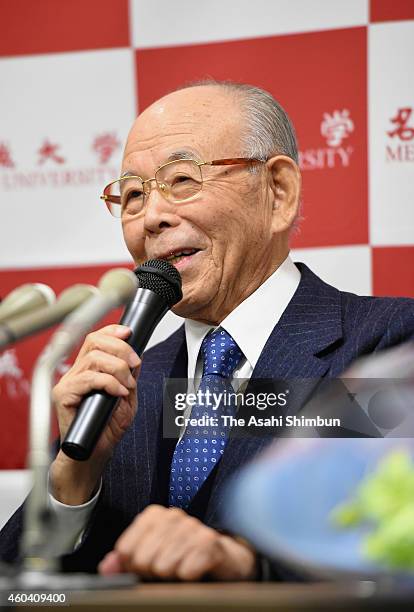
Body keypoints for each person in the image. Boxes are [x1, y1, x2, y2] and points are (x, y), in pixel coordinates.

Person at [1, 81, 413, 581]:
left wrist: (249, 565)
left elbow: (389, 543)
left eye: (181, 180)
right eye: (132, 195)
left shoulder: (388, 342)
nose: (151, 217)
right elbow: (23, 589)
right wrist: (73, 476)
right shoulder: (123, 384)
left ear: (277, 191)